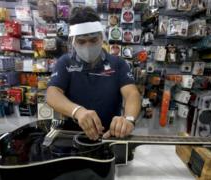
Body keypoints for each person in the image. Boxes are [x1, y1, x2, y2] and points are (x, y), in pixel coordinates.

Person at [46, 6, 141, 140]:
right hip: (72, 137)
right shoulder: (65, 62)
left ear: (101, 37)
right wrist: (77, 111)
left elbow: (132, 93)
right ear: (73, 41)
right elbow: (52, 93)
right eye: (81, 41)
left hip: (110, 137)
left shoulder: (118, 63)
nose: (88, 46)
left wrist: (129, 119)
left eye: (93, 40)